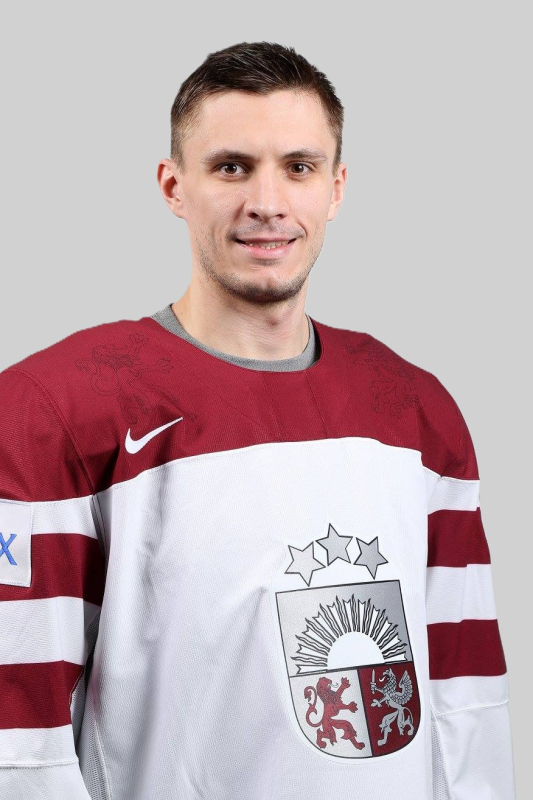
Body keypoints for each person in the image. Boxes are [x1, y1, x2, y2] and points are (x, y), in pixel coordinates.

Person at [0, 41, 515, 800]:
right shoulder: (54, 407)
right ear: (174, 186)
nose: (267, 202)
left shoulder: (415, 409)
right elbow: (19, 737)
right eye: (232, 167)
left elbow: (464, 702)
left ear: (336, 188)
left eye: (298, 167)